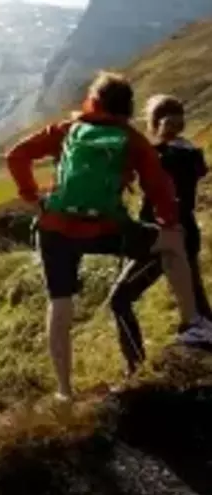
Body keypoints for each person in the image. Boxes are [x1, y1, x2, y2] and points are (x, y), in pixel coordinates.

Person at [5, 71, 212, 400]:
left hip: (55, 229)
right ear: (128, 107)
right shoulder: (131, 139)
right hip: (106, 227)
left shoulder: (67, 129)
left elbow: (15, 155)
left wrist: (33, 197)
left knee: (60, 304)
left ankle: (65, 391)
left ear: (93, 100)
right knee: (173, 243)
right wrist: (169, 221)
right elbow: (158, 185)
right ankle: (193, 324)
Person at [110, 94, 212, 375]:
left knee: (120, 299)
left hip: (159, 237)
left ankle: (135, 368)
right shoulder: (192, 153)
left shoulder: (156, 156)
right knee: (198, 309)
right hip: (187, 233)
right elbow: (199, 173)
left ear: (155, 123)